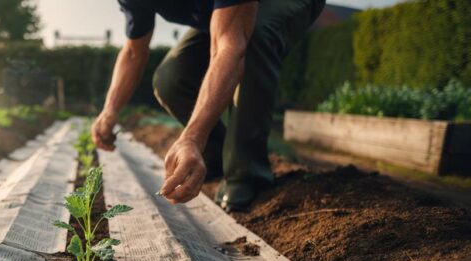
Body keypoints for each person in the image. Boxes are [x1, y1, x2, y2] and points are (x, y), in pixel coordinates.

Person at [92, 0, 326, 211]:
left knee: (254, 36)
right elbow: (134, 51)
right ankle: (214, 158)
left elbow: (230, 49)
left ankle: (247, 176)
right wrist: (110, 109)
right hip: (223, 13)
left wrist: (192, 138)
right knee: (171, 79)